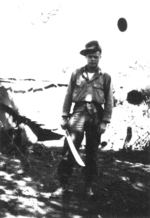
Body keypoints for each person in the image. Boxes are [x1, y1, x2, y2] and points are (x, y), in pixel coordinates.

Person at [50, 40, 113, 198]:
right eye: (90, 56)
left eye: (96, 57)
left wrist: (105, 121)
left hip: (96, 115)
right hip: (78, 112)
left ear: (100, 57)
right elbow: (68, 95)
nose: (93, 59)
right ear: (86, 57)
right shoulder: (76, 73)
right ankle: (64, 185)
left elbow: (109, 101)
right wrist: (64, 116)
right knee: (69, 149)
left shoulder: (105, 77)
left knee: (92, 152)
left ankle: (88, 186)